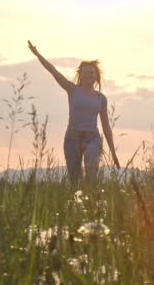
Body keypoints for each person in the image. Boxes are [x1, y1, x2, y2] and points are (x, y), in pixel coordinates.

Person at [27, 40, 120, 185]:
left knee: (91, 172)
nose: (89, 75)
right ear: (80, 75)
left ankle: (92, 204)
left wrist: (113, 152)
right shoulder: (72, 89)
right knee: (75, 180)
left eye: (92, 72)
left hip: (92, 138)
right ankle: (77, 205)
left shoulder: (101, 98)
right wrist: (38, 54)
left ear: (96, 76)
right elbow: (53, 71)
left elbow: (106, 127)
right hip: (72, 138)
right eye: (85, 72)